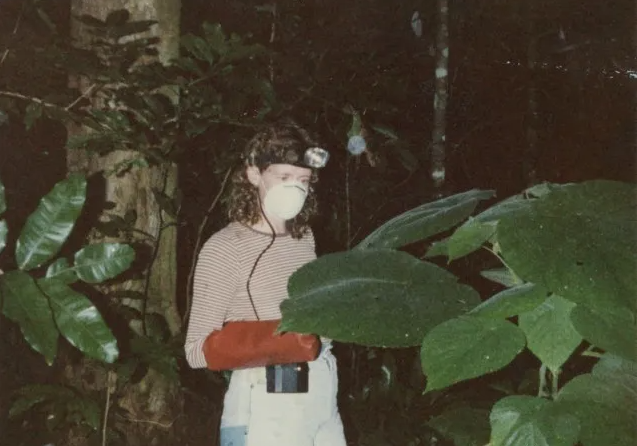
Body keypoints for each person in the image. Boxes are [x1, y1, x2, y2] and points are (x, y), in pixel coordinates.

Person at [184, 121, 347, 446]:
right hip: (267, 401)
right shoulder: (225, 247)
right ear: (254, 174)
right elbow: (195, 350)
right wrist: (283, 339)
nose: (295, 188)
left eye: (303, 180)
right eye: (284, 177)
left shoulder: (304, 238)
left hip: (322, 389)